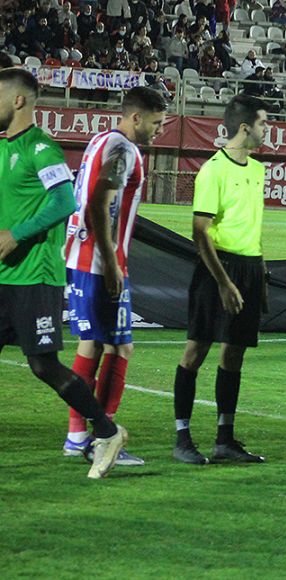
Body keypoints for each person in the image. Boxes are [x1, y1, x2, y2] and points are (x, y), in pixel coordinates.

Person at [0, 68, 127, 479]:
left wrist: (16, 235)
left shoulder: (41, 149)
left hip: (35, 275)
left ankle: (106, 433)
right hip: (5, 275)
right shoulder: (5, 149)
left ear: (19, 100)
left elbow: (64, 201)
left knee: (43, 365)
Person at [62, 87, 168, 466]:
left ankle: (78, 436)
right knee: (119, 348)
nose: (160, 131)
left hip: (81, 256)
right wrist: (111, 261)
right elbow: (100, 199)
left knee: (92, 345)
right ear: (136, 117)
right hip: (100, 262)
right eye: (156, 123)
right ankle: (101, 437)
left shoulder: (100, 140)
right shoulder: (124, 149)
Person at [171, 94, 270, 465]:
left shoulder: (257, 170)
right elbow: (201, 233)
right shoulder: (212, 170)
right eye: (262, 123)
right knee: (197, 349)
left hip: (249, 268)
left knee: (235, 353)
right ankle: (182, 438)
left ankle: (224, 439)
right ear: (244, 127)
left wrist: (259, 274)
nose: (266, 129)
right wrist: (224, 283)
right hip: (218, 269)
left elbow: (252, 227)